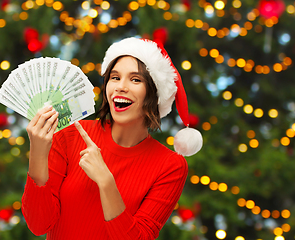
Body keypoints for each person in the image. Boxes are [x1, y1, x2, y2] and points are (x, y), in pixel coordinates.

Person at [21, 37, 202, 239]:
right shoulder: (70, 134)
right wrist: (37, 151)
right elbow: (39, 225)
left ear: (154, 93)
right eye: (115, 77)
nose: (120, 87)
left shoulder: (171, 165)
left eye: (135, 79)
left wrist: (106, 182)